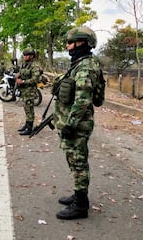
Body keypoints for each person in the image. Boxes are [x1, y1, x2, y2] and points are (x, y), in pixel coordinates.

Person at [52, 26, 101, 220]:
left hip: (78, 125)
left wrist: (70, 125)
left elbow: (82, 100)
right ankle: (78, 194)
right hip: (73, 122)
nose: (68, 46)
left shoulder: (85, 67)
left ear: (82, 43)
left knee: (79, 162)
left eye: (71, 42)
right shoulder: (79, 64)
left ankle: (81, 205)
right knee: (73, 160)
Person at [16, 47, 41, 135]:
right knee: (26, 109)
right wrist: (18, 75)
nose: (24, 57)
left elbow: (35, 79)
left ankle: (29, 128)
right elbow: (22, 73)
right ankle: (27, 125)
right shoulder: (25, 64)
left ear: (31, 56)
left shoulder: (35, 66)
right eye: (24, 55)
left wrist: (22, 82)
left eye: (26, 55)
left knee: (29, 109)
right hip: (24, 91)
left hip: (30, 91)